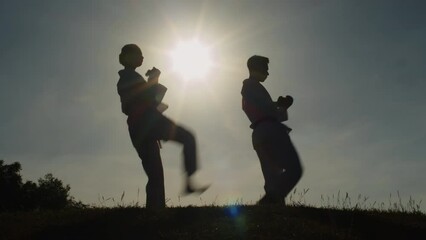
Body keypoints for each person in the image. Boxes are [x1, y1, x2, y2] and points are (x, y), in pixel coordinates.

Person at [117, 44, 208, 208]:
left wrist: (153, 81)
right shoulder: (128, 78)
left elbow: (146, 99)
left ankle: (155, 208)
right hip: (147, 121)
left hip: (139, 126)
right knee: (187, 138)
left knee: (155, 173)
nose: (142, 58)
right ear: (128, 56)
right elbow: (149, 98)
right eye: (139, 55)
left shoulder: (128, 78)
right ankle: (188, 181)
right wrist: (154, 78)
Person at [241, 55, 303, 205]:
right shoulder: (250, 86)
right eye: (265, 69)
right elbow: (268, 110)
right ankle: (270, 201)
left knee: (272, 177)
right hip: (270, 130)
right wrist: (279, 105)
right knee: (294, 169)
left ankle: (272, 209)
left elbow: (266, 110)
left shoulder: (251, 87)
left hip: (260, 132)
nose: (268, 73)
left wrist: (281, 106)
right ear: (256, 68)